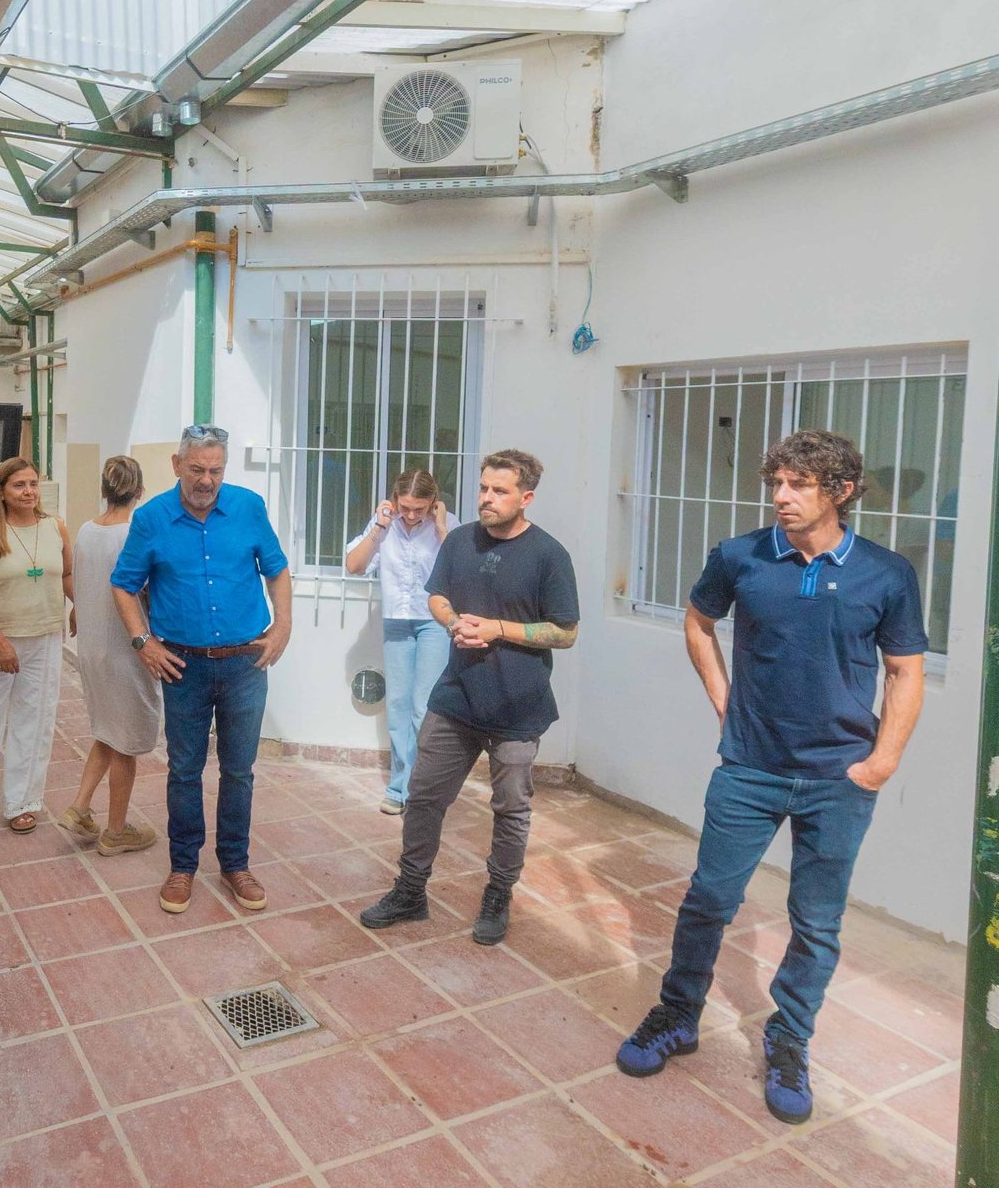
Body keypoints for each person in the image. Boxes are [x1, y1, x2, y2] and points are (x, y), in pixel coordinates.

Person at [616, 430, 927, 1127]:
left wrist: (882, 762)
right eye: (776, 485)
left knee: (815, 922)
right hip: (750, 768)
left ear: (840, 491)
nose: (781, 499)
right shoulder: (740, 556)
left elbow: (906, 670)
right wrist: (725, 701)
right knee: (708, 899)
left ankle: (789, 1041)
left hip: (837, 779)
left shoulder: (886, 573)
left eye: (798, 485)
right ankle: (677, 1014)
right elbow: (699, 623)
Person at [358, 450, 579, 946]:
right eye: (483, 488)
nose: (487, 498)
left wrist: (498, 629)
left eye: (499, 491)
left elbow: (565, 632)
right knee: (423, 797)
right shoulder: (458, 541)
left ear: (526, 497)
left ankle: (498, 896)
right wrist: (454, 621)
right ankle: (410, 891)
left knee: (510, 809)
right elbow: (436, 595)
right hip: (456, 700)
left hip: (517, 707)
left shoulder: (549, 555)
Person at [110, 424, 292, 914]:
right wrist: (143, 642)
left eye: (215, 470)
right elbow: (124, 585)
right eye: (197, 470)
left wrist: (283, 626)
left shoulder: (249, 507)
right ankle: (182, 866)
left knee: (239, 771)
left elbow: (276, 569)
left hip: (245, 665)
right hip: (183, 668)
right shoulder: (150, 519)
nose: (206, 480)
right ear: (176, 465)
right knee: (184, 771)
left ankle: (235, 864)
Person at [0, 457, 73, 833]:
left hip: (45, 638)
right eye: (19, 485)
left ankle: (22, 802)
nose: (29, 492)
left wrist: (78, 605)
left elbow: (66, 573)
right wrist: (0, 643)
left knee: (35, 722)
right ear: (2, 491)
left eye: (33, 484)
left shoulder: (55, 527)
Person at [58, 456, 160, 855]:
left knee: (107, 729)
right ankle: (116, 831)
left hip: (92, 647)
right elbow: (147, 591)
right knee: (127, 743)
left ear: (104, 489)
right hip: (126, 648)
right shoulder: (137, 533)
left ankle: (80, 807)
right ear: (139, 491)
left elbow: (82, 584)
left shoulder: (85, 530)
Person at [344, 468, 459, 815]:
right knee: (397, 706)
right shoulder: (385, 524)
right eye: (405, 507)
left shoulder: (449, 524)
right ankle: (399, 787)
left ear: (433, 503)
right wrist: (379, 528)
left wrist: (440, 529)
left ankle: (422, 790)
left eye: (419, 509)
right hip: (396, 621)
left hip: (434, 623)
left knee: (424, 708)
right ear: (395, 500)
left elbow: (460, 573)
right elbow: (354, 565)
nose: (411, 515)